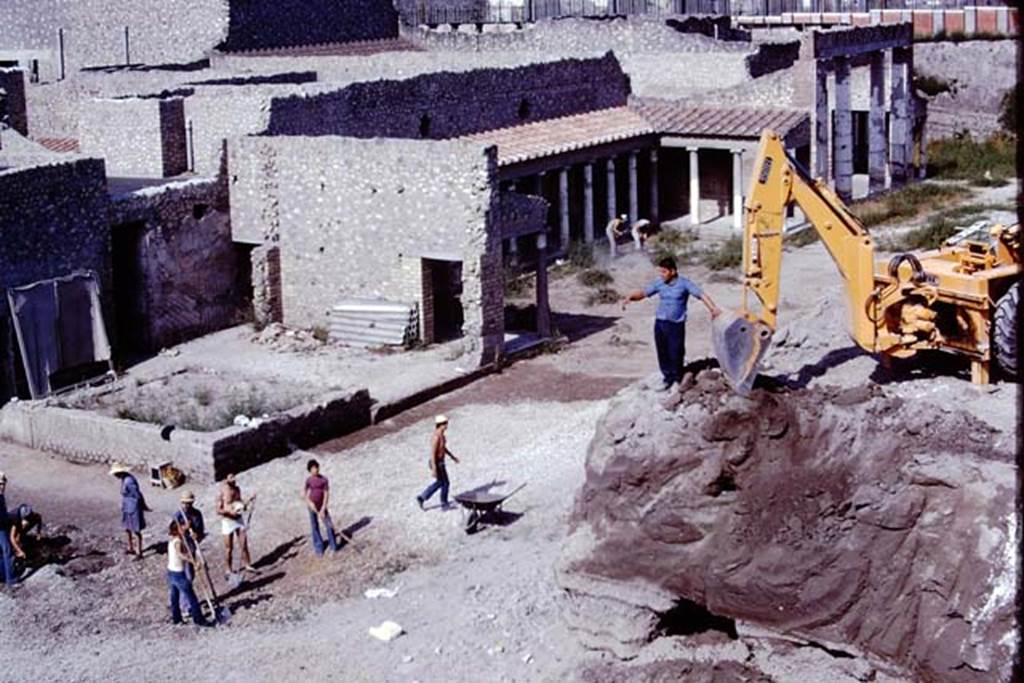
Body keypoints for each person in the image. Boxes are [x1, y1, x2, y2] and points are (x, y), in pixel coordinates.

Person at [623, 256, 721, 390]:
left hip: (676, 324)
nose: (661, 275)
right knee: (662, 351)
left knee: (676, 351)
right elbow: (644, 293)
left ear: (673, 271)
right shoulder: (659, 283)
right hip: (660, 322)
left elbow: (701, 295)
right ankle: (667, 378)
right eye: (660, 272)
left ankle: (677, 378)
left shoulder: (684, 284)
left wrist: (713, 309)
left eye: (664, 272)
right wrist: (631, 297)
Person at [166, 520, 209, 627]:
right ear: (177, 529)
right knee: (192, 597)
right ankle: (199, 620)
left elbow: (185, 548)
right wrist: (193, 561)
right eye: (182, 527)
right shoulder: (177, 541)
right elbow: (180, 554)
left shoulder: (173, 540)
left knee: (174, 596)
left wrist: (192, 536)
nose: (184, 528)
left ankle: (177, 619)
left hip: (171, 572)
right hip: (178, 574)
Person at [416, 415, 460, 510]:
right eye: (445, 424)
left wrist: (452, 457)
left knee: (442, 483)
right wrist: (434, 468)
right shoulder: (436, 437)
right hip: (437, 463)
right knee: (444, 483)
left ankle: (424, 498)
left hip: (440, 462)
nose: (447, 425)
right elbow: (433, 453)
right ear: (440, 425)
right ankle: (438, 502)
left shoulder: (442, 436)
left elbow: (443, 448)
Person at [172, 491, 205, 612]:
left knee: (190, 576)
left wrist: (198, 536)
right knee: (183, 578)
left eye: (189, 503)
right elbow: (173, 533)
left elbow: (201, 532)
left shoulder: (197, 514)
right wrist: (184, 528)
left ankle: (185, 603)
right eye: (185, 503)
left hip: (191, 548)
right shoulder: (178, 515)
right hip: (180, 550)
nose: (187, 506)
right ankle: (184, 606)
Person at [217, 473, 255, 575]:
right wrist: (229, 512)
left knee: (243, 543)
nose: (234, 480)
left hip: (238, 519)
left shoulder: (237, 489)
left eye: (235, 478)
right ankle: (228, 569)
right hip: (228, 521)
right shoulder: (222, 491)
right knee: (229, 548)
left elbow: (241, 503)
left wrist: (248, 503)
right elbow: (218, 510)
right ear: (226, 479)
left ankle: (248, 564)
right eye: (231, 478)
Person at [110, 462, 146, 559]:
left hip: (133, 507)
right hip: (127, 506)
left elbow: (137, 495)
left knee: (136, 530)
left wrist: (142, 505)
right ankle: (130, 547)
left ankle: (139, 551)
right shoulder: (124, 479)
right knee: (127, 527)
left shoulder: (129, 481)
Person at [303, 459, 339, 556]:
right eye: (313, 468)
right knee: (314, 526)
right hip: (312, 507)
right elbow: (304, 493)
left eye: (316, 467)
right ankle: (319, 548)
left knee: (329, 525)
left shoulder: (324, 480)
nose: (315, 470)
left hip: (321, 506)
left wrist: (323, 508)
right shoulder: (309, 480)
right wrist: (309, 502)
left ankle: (333, 546)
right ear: (310, 470)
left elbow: (326, 494)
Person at [0, 472, 16, 589]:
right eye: (0, 484)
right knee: (7, 551)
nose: (2, 486)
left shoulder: (1, 496)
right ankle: (11, 579)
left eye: (3, 484)